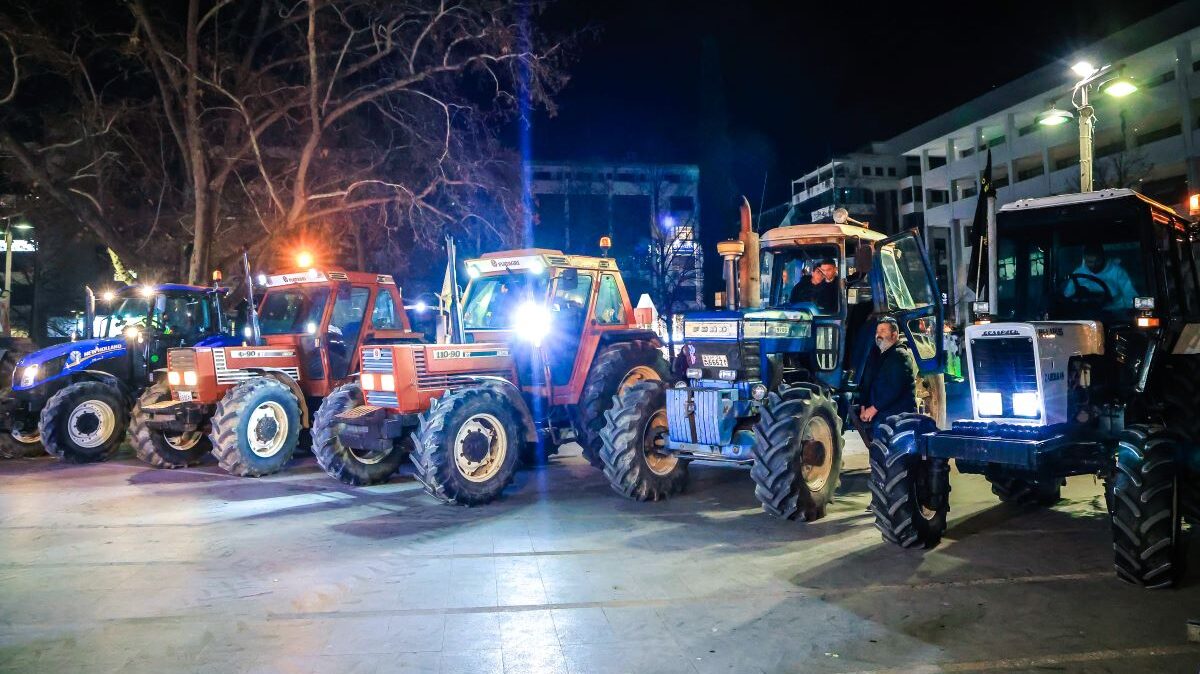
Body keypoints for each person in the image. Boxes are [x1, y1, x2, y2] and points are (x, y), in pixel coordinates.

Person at [858, 317, 917, 440]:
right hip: (881, 416)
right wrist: (863, 405)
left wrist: (874, 408)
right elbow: (867, 381)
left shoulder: (900, 355)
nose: (878, 335)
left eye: (883, 331)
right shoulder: (877, 356)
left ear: (894, 335)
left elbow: (893, 388)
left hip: (897, 417)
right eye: (877, 331)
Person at [1063, 243, 1138, 311]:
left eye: (1097, 261)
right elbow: (1068, 295)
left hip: (1113, 311)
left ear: (1102, 258)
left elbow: (1129, 294)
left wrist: (1131, 310)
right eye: (1090, 262)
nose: (1094, 265)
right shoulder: (1078, 273)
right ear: (1085, 259)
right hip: (1085, 312)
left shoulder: (1117, 271)